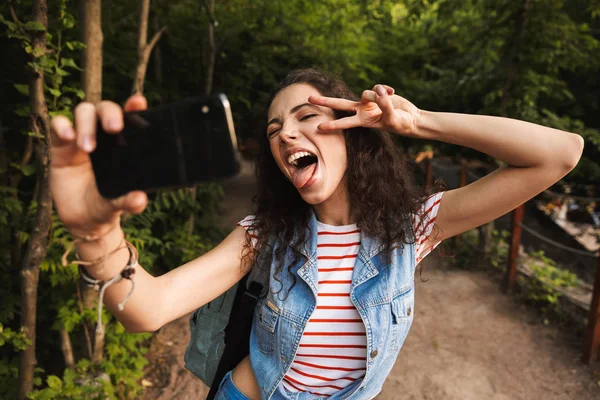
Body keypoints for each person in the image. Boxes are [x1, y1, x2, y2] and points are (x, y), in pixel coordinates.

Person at [49, 68, 584, 399]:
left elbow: (560, 154)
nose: (286, 134)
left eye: (307, 116)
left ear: (355, 133)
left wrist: (415, 122)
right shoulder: (265, 236)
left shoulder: (411, 228)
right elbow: (147, 309)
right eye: (274, 128)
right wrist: (95, 232)